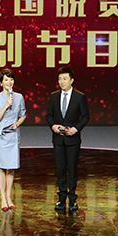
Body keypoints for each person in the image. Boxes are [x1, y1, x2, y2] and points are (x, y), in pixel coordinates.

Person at [46, 66, 90, 211]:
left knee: (72, 169)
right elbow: (49, 115)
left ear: (72, 80)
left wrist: (76, 129)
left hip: (72, 140)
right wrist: (53, 126)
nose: (62, 81)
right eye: (59, 79)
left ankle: (72, 199)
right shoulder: (54, 96)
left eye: (65, 79)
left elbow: (85, 117)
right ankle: (61, 199)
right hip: (58, 139)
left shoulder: (79, 97)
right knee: (60, 169)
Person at [0, 68, 26, 212]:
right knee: (1, 166)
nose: (9, 82)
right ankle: (2, 198)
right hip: (1, 136)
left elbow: (23, 115)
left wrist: (17, 124)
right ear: (1, 83)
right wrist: (6, 105)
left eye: (11, 79)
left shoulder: (19, 97)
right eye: (6, 79)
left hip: (13, 135)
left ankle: (9, 196)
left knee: (11, 167)